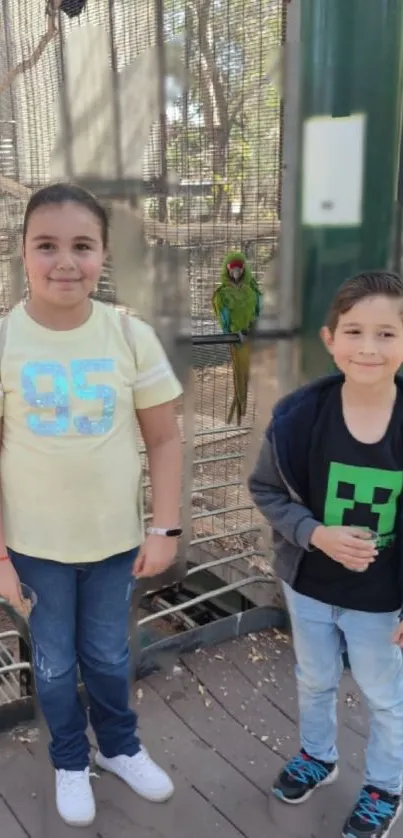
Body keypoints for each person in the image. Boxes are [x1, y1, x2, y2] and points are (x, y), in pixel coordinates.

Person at [0, 182, 183, 827]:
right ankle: (70, 760)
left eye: (82, 245)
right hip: (34, 551)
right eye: (46, 245)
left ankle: (120, 747)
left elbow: (163, 439)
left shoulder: (128, 335)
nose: (65, 262)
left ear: (103, 254)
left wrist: (164, 527)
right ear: (23, 252)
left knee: (108, 655)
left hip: (113, 547)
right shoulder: (3, 343)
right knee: (51, 665)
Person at [248, 271, 403, 838]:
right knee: (313, 678)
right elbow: (265, 490)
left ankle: (385, 787)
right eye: (354, 332)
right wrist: (313, 533)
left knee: (386, 699)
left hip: (381, 600)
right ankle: (319, 755)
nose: (368, 347)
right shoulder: (298, 418)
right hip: (309, 585)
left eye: (387, 333)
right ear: (329, 339)